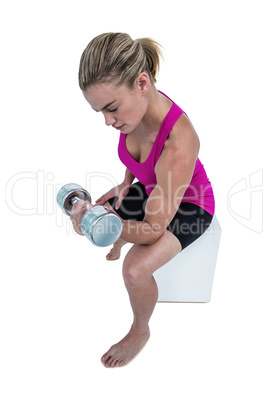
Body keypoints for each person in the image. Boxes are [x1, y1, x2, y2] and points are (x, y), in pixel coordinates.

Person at [71, 32, 215, 368]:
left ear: (141, 82)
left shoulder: (179, 143)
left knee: (135, 270)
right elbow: (136, 157)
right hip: (157, 190)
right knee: (95, 213)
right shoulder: (135, 109)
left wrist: (116, 229)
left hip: (192, 204)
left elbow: (151, 229)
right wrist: (124, 185)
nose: (108, 121)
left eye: (111, 108)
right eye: (99, 112)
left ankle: (140, 330)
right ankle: (114, 228)